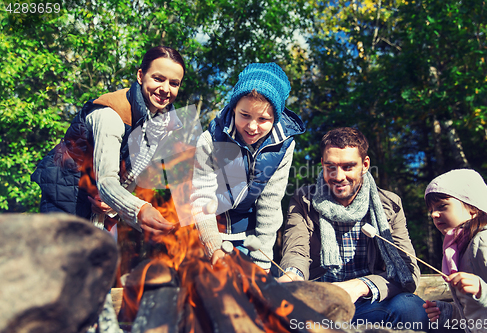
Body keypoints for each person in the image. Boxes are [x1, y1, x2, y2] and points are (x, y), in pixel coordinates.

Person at [278, 127, 429, 330]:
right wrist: (292, 274)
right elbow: (296, 250)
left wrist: (360, 286)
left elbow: (408, 271)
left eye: (348, 167)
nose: (339, 176)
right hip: (319, 305)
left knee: (412, 308)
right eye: (331, 167)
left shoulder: (390, 204)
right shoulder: (303, 200)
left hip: (371, 303)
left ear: (365, 165)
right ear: (322, 164)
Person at [31, 46, 184, 235]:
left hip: (101, 212)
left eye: (174, 83)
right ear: (140, 76)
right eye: (158, 79)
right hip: (66, 201)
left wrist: (114, 206)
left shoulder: (162, 126)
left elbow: (129, 177)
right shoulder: (111, 115)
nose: (165, 89)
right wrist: (140, 209)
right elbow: (107, 181)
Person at [190, 62, 305, 271]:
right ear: (234, 108)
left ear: (276, 118)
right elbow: (201, 199)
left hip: (250, 240)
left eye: (263, 119)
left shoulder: (284, 145)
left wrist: (262, 263)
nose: (252, 127)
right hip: (207, 234)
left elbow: (270, 204)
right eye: (245, 115)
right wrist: (214, 247)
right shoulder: (209, 141)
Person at [422, 169, 487, 333]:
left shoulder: (486, 241)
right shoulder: (460, 247)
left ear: (473, 208)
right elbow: (479, 310)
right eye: (431, 210)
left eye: (442, 206)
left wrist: (483, 290)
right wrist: (449, 311)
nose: (434, 214)